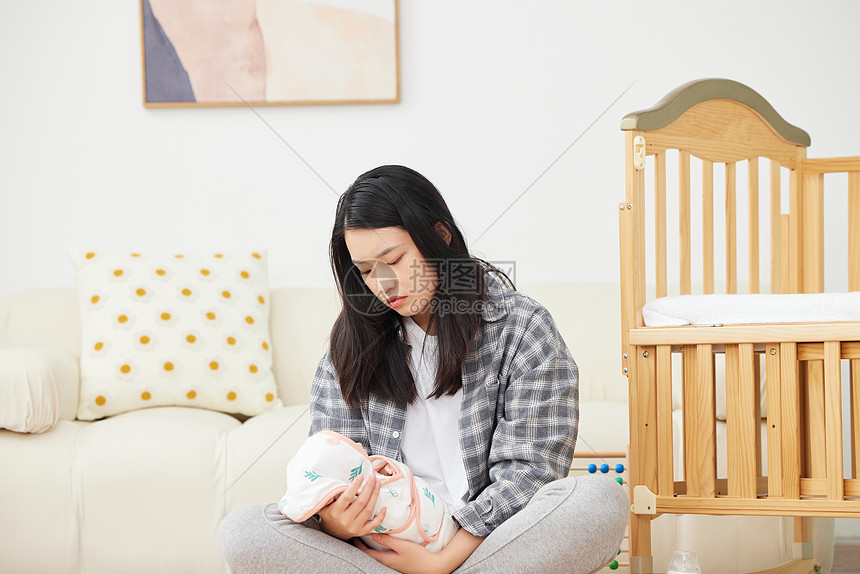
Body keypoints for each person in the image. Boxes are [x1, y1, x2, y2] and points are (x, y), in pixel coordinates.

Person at [219, 165, 628, 573]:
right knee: (244, 530)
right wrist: (335, 522)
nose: (383, 285)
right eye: (364, 271)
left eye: (393, 259)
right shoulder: (348, 346)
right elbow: (328, 471)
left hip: (486, 545)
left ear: (440, 237)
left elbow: (530, 474)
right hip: (382, 555)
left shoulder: (521, 327)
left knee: (597, 500)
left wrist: (439, 564)